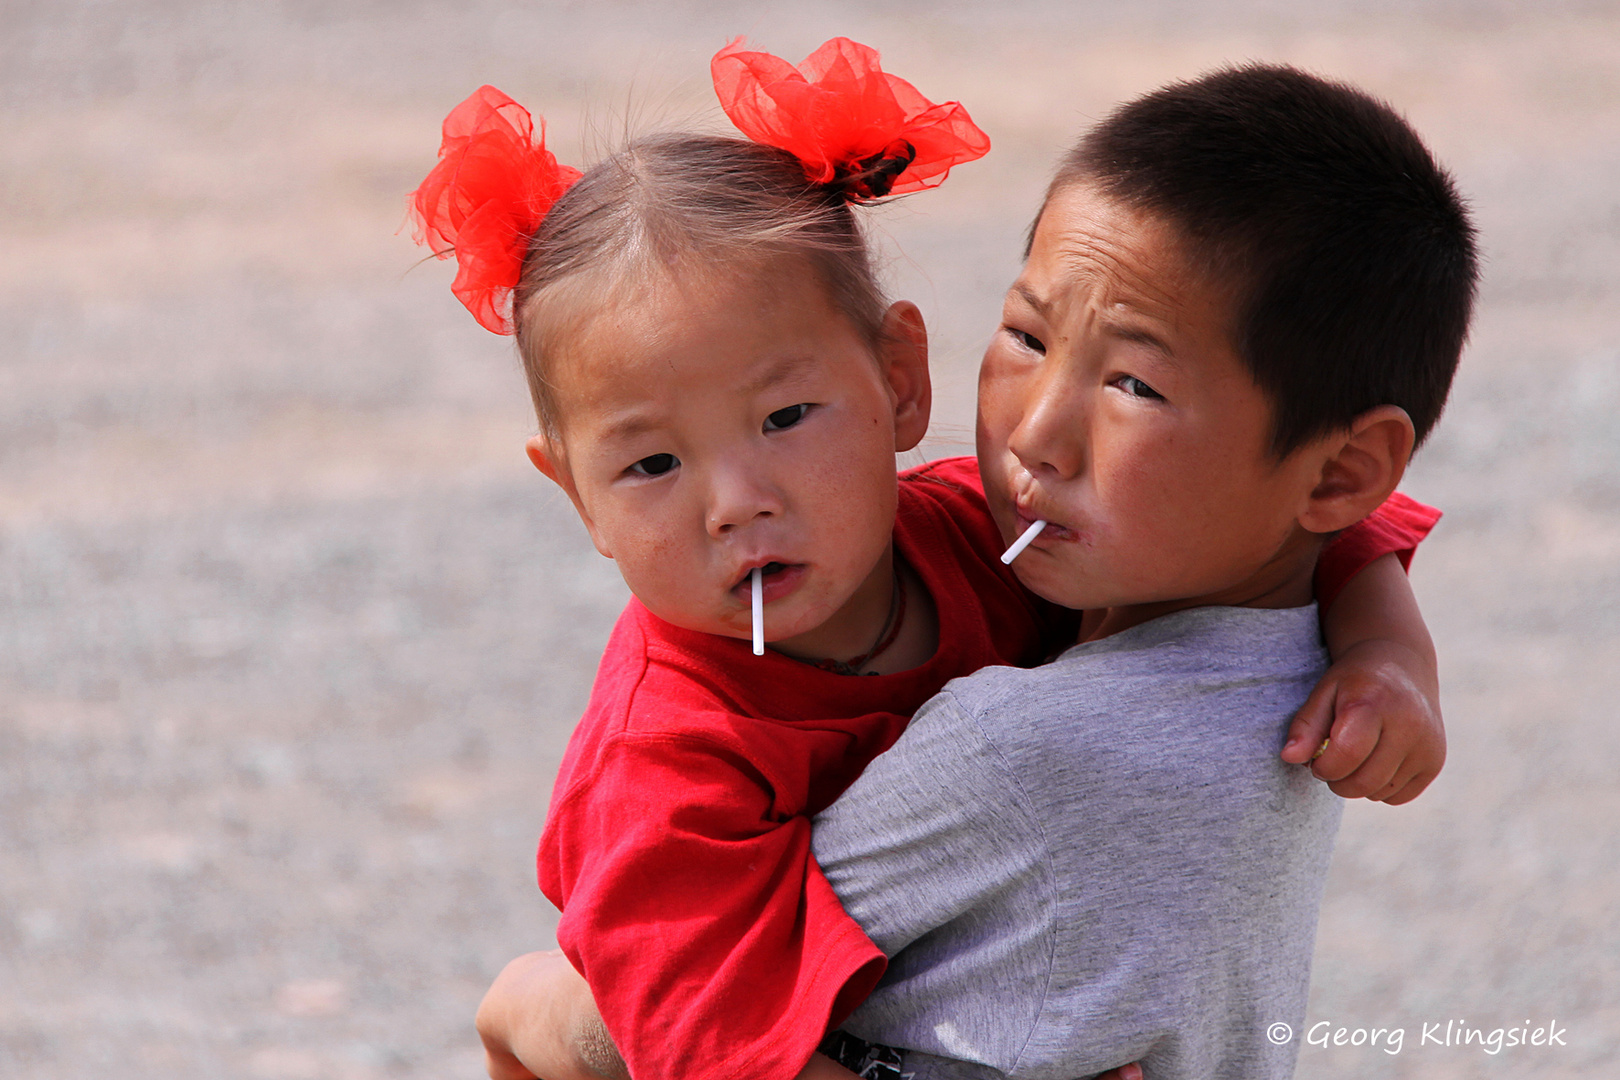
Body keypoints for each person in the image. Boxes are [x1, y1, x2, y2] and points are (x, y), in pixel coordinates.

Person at [406, 41, 1444, 1080]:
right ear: (575, 494)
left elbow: (1327, 516)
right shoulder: (662, 772)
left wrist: (1388, 652)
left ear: (902, 381)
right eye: (652, 463)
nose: (735, 502)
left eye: (786, 416)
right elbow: (713, 1062)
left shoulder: (979, 531)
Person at [809, 63, 1478, 1080]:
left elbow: (687, 983)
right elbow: (1361, 532)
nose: (1036, 436)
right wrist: (1389, 646)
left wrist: (531, 1015)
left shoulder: (1018, 749)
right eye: (1027, 335)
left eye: (1134, 384)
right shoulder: (1295, 649)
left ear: (1340, 470)